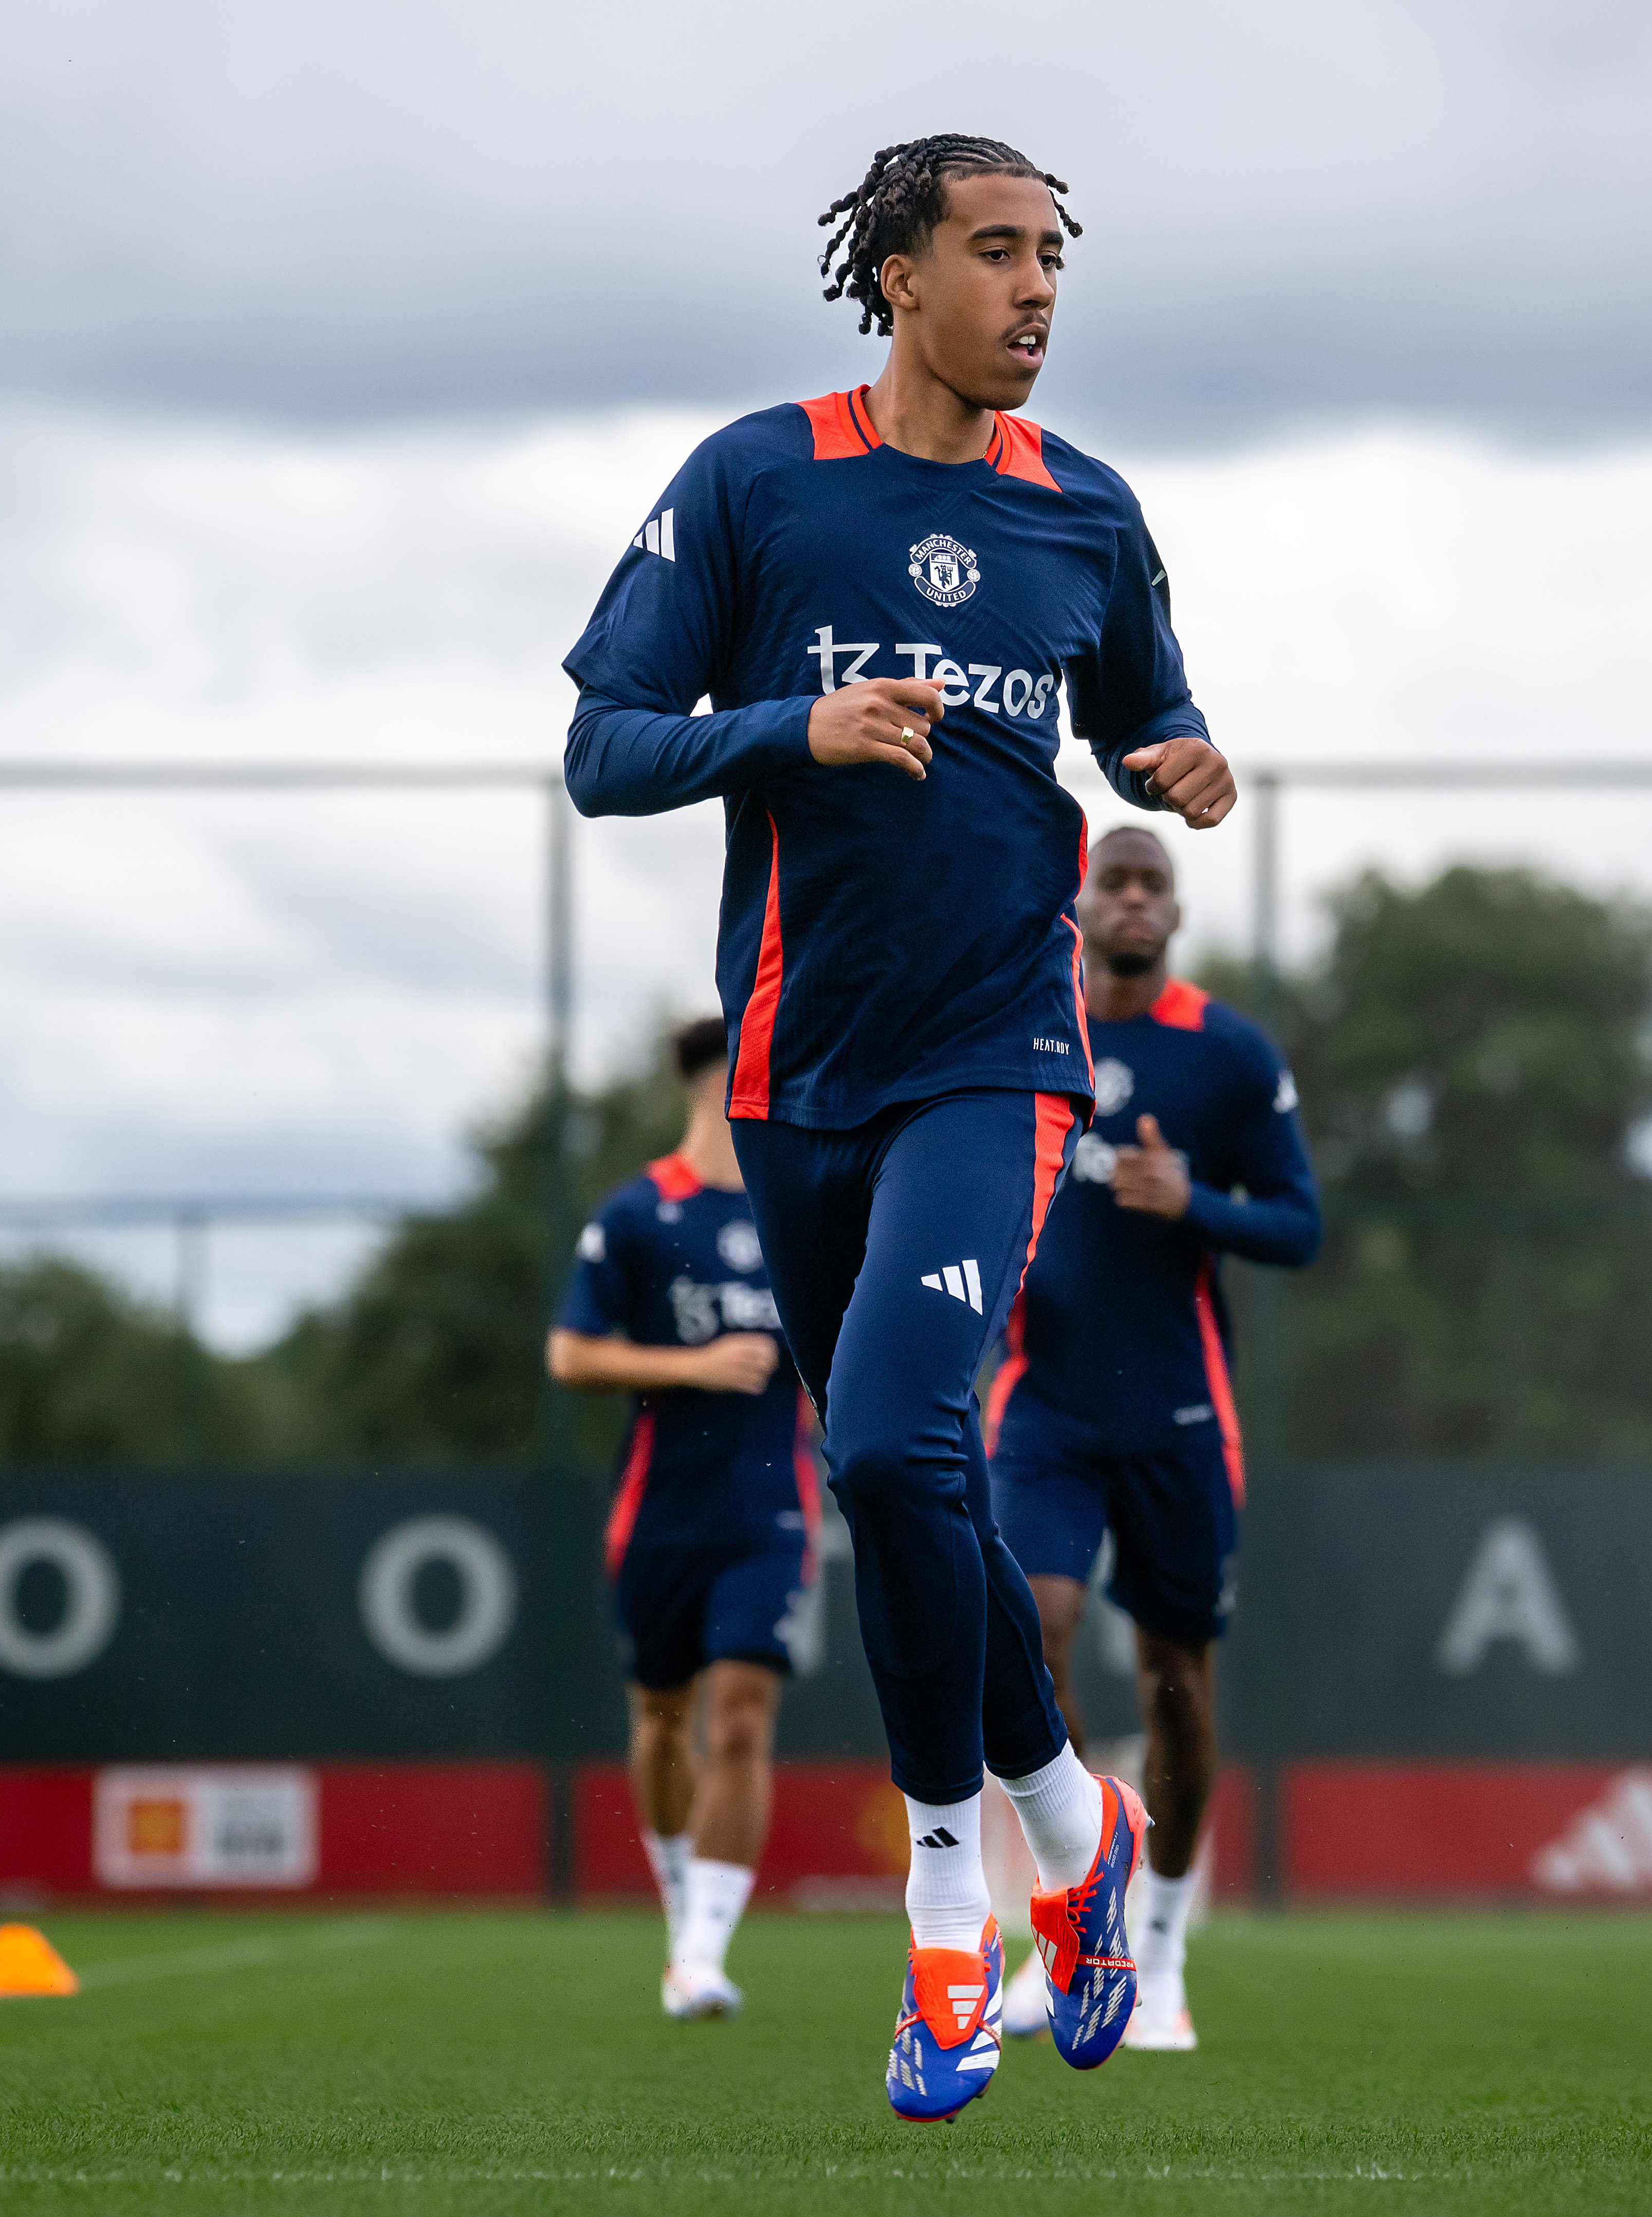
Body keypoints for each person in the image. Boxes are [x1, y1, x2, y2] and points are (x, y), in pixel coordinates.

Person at [559, 133, 1238, 2122]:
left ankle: (953, 1927)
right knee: (900, 1493)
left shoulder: (1087, 512)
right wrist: (792, 725)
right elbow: (604, 747)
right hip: (795, 1074)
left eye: (1054, 261)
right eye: (998, 254)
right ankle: (1066, 1833)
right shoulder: (756, 480)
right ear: (895, 276)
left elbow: (1139, 710)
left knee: (882, 1440)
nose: (1035, 291)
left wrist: (1172, 756)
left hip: (994, 1061)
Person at [985, 824, 1318, 2054]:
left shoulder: (1225, 1051)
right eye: (1114, 881)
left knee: (1179, 1681)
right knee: (1036, 1634)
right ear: (1081, 901)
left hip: (1179, 1409)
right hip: (1045, 1407)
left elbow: (1300, 1223)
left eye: (1153, 884)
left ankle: (1163, 1952)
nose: (1133, 899)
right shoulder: (1021, 1020)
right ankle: (1073, 1927)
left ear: (1173, 911)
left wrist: (1198, 1202)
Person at [546, 1015, 817, 2022]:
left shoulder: (803, 1219)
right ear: (717, 1088)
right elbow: (571, 1354)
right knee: (661, 1720)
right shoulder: (639, 1212)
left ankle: (702, 1951)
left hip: (770, 1512)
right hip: (657, 1512)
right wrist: (690, 1365)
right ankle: (682, 1906)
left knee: (742, 1715)